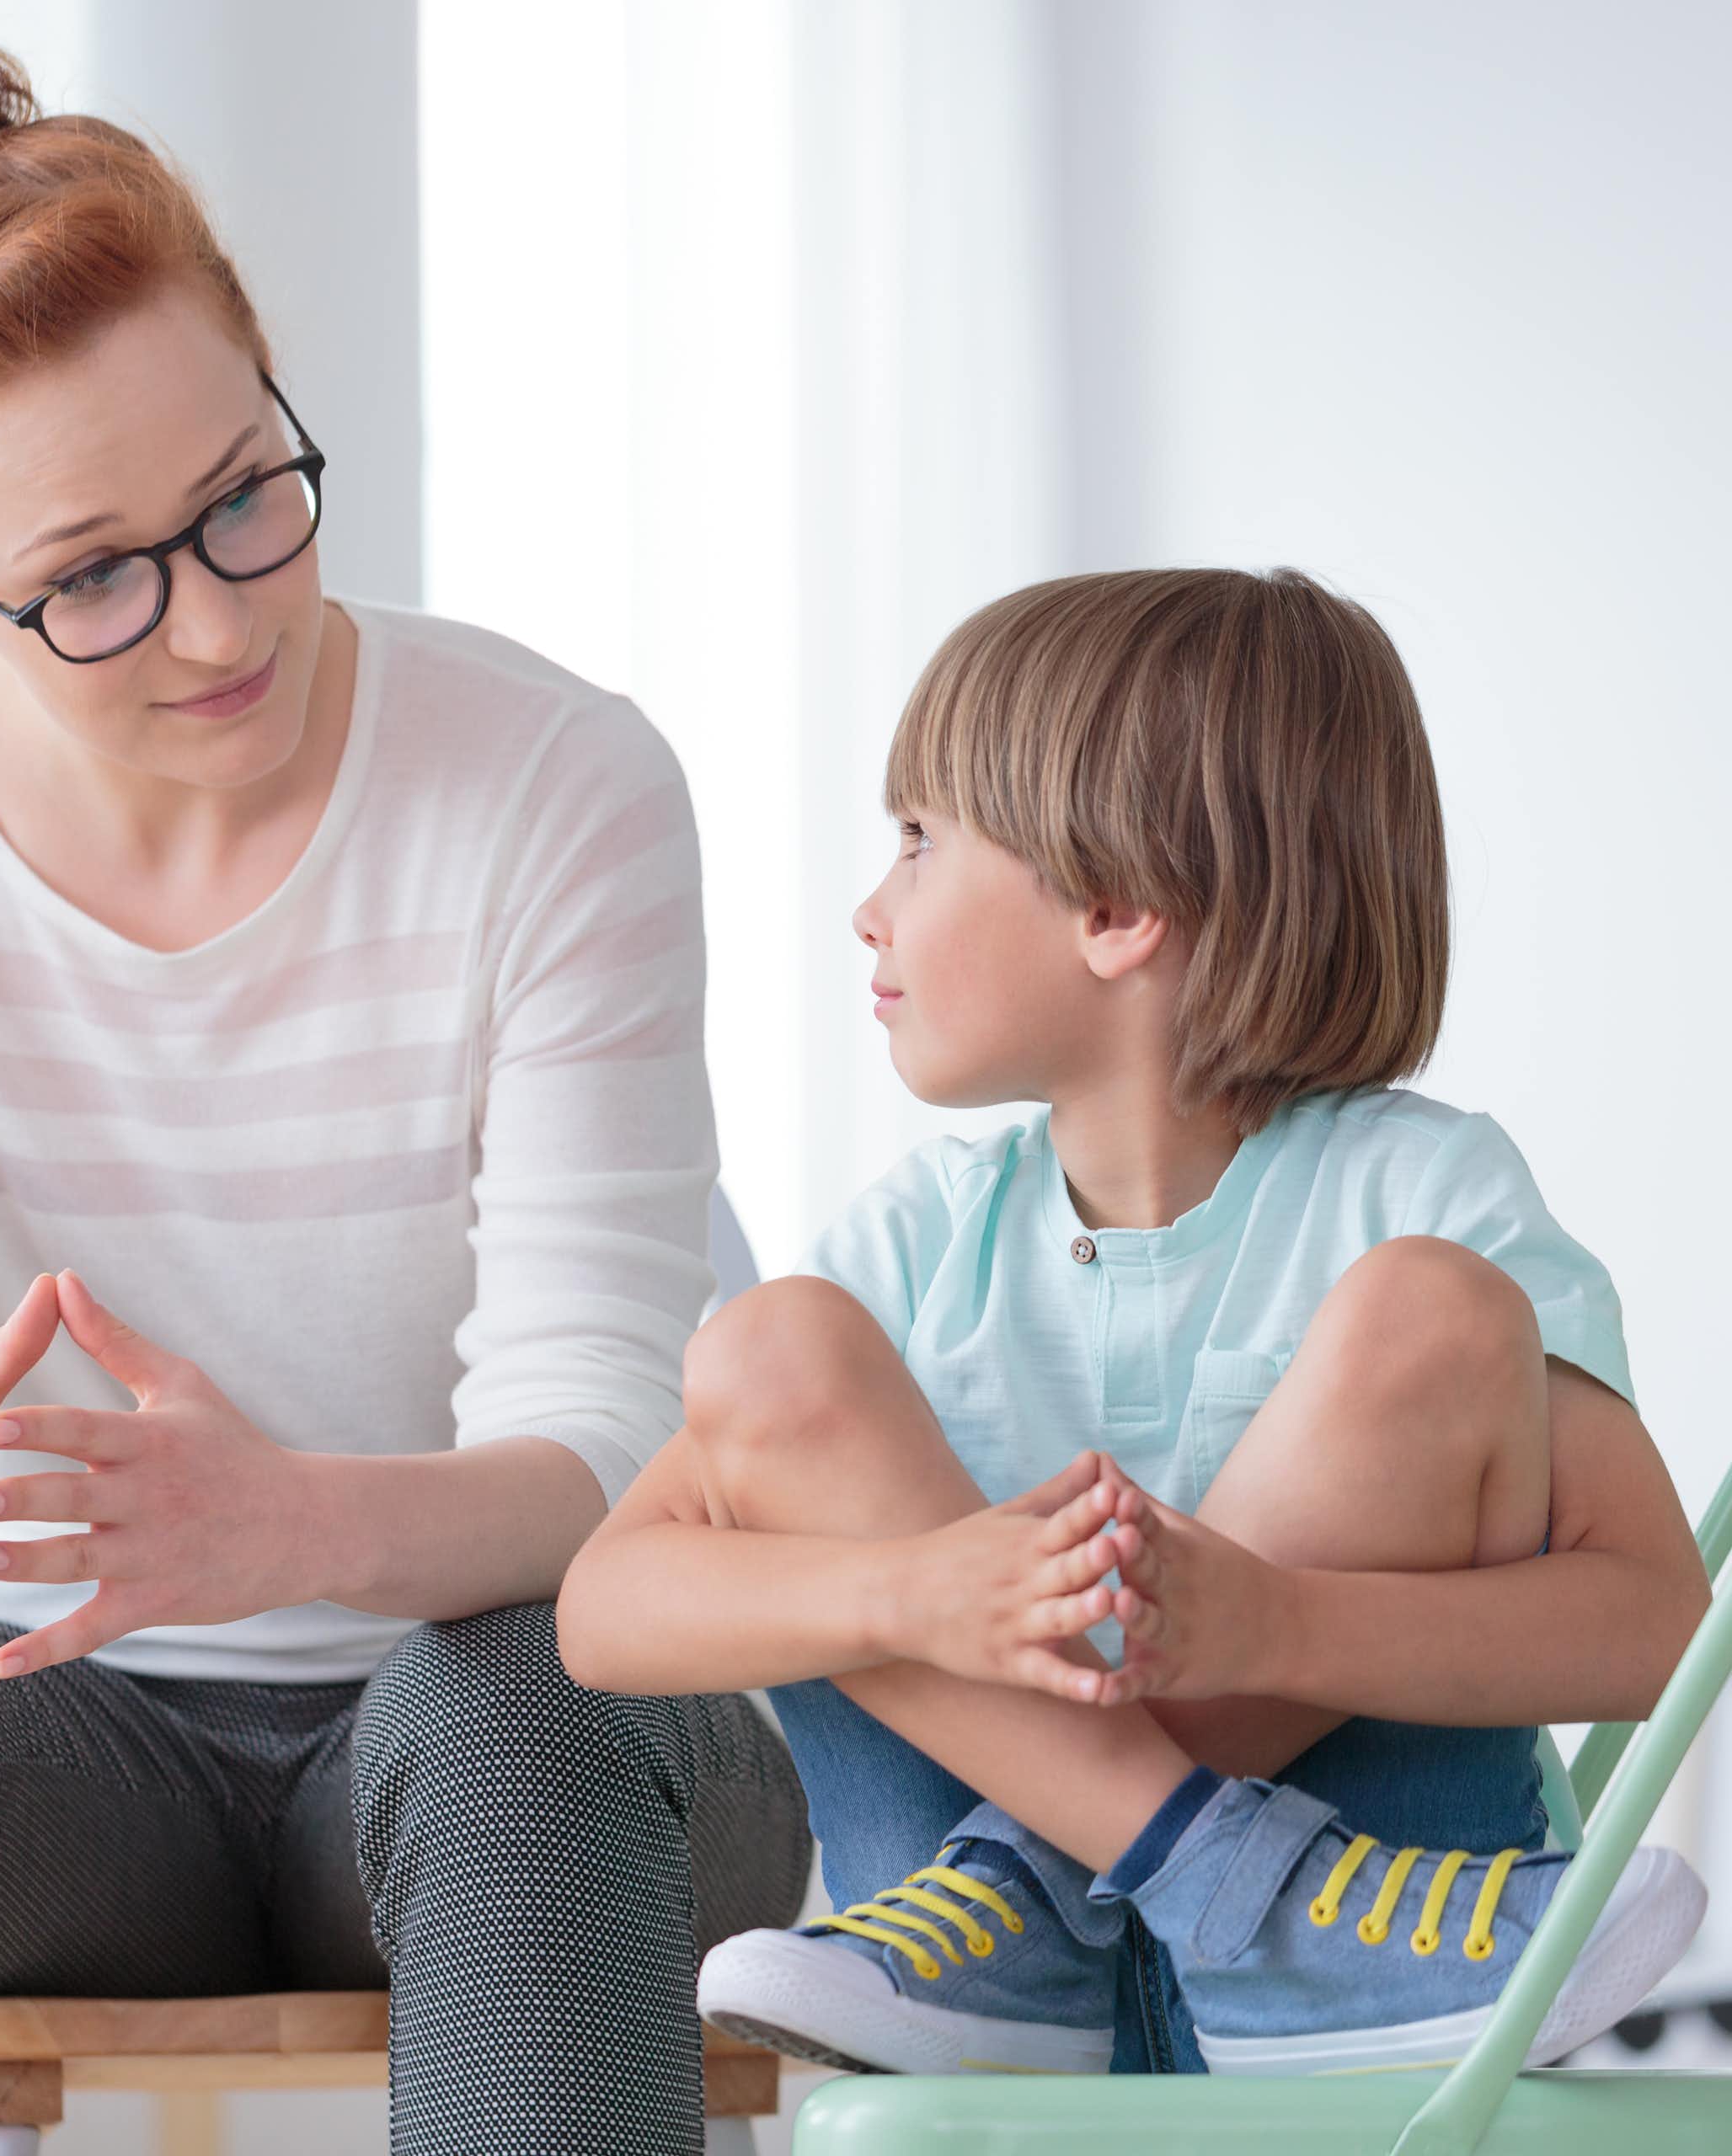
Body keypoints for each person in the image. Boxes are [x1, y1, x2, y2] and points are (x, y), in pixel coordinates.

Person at [0, 35, 809, 2156]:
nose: (218, 621)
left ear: (270, 387)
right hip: (68, 1759)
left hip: (523, 1725)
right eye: (92, 577)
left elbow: (608, 1461)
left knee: (516, 1690)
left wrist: (293, 1524)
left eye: (247, 492)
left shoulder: (553, 783)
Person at [557, 566, 1711, 2077]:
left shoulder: (1425, 1200)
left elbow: (1656, 1628)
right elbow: (605, 1610)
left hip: (1392, 1971)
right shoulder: (913, 1247)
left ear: (1114, 909)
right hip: (980, 1998)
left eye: (920, 841)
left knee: (1428, 1307)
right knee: (770, 1346)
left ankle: (1078, 1898)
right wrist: (916, 1591)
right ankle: (1153, 1904)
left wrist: (1281, 1619)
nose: (871, 908)